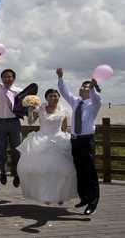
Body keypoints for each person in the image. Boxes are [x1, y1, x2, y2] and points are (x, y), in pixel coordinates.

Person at [17, 88, 77, 205]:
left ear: (59, 97)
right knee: (43, 171)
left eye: (55, 96)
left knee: (63, 171)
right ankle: (46, 195)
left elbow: (64, 127)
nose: (53, 98)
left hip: (59, 140)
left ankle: (60, 195)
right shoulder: (40, 108)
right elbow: (30, 122)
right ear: (46, 98)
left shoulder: (63, 110)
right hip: (41, 140)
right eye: (50, 96)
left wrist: (67, 139)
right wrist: (30, 111)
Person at [57, 68, 101, 215]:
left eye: (87, 87)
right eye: (82, 86)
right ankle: (84, 197)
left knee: (89, 171)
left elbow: (97, 98)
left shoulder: (94, 104)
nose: (83, 88)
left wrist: (94, 88)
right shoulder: (76, 102)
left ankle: (93, 201)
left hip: (86, 141)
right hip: (75, 140)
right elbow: (64, 92)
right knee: (79, 170)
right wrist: (61, 77)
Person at [0, 53, 23, 187]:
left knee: (17, 149)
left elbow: (26, 106)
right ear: (2, 78)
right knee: (0, 150)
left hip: (14, 123)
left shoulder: (19, 91)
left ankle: (17, 173)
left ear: (14, 78)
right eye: (4, 77)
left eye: (10, 76)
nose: (7, 79)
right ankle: (2, 171)